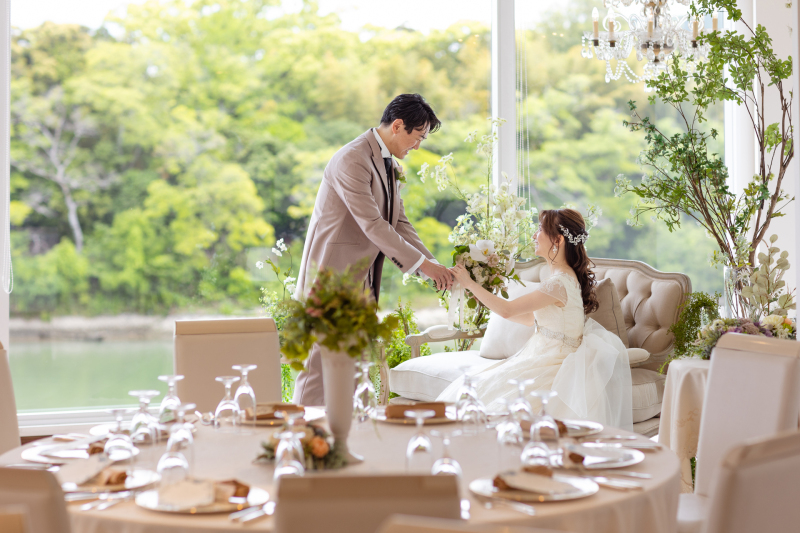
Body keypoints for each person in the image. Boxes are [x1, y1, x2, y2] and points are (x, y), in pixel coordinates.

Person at [292, 94, 454, 406]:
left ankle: (351, 432)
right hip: (331, 280)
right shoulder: (352, 159)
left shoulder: (388, 163)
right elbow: (373, 224)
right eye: (419, 137)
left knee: (355, 369)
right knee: (318, 370)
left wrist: (432, 264)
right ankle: (303, 432)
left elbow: (399, 222)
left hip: (360, 281)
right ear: (398, 126)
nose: (418, 146)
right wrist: (424, 266)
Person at [438, 208, 633, 430]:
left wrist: (470, 283)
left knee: (482, 397)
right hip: (545, 356)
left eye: (540, 229)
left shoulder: (558, 283)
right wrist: (483, 295)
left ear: (558, 239)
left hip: (554, 365)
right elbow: (530, 319)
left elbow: (507, 310)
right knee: (479, 390)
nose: (534, 235)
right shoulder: (562, 278)